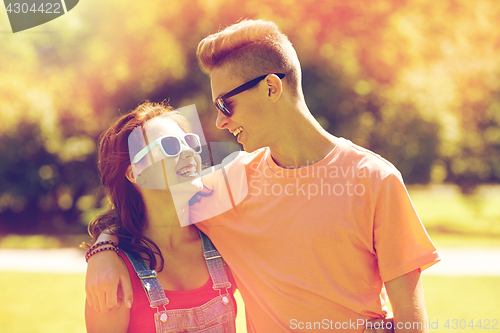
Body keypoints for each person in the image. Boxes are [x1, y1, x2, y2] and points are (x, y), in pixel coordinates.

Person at [87, 20, 440, 332]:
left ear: (272, 87)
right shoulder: (233, 183)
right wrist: (103, 251)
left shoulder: (375, 181)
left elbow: (411, 320)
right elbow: (148, 206)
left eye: (226, 104)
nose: (221, 121)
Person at [84, 102, 237, 333]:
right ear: (136, 173)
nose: (189, 152)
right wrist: (103, 249)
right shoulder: (114, 276)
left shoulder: (224, 238)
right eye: (169, 145)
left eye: (190, 142)